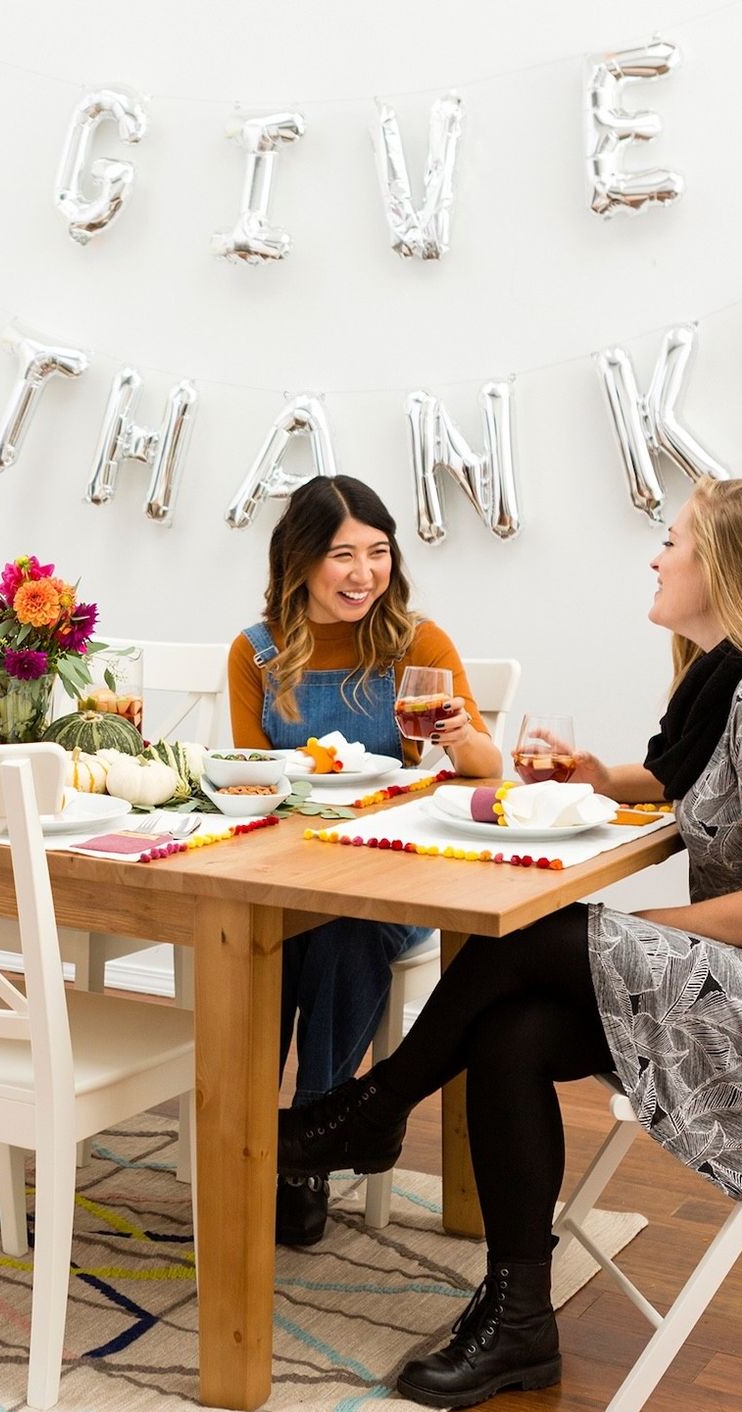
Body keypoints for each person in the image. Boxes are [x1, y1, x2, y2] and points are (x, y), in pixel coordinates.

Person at [277, 476, 742, 1408]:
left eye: (675, 541)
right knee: (510, 1028)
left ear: (723, 567)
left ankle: (375, 1104)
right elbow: (697, 783)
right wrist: (604, 776)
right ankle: (519, 1319)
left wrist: (613, 937)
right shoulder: (731, 682)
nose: (656, 555)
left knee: (536, 933)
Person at [228, 473, 501, 1247]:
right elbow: (252, 777)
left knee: (345, 931)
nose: (364, 574)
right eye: (342, 554)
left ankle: (308, 1138)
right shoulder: (257, 652)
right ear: (300, 561)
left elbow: (488, 768)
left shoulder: (418, 643)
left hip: (394, 877)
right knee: (264, 932)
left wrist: (456, 734)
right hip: (292, 867)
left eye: (378, 553)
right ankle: (251, 1131)